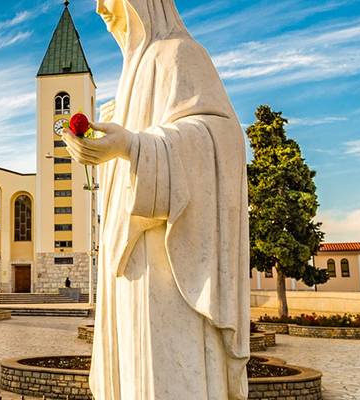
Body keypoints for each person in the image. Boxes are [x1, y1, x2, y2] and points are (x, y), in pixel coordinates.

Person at [62, 1, 250, 399]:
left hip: (168, 269)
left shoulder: (180, 54)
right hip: (128, 269)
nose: (99, 9)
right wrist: (104, 151)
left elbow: (223, 139)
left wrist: (132, 145)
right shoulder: (131, 76)